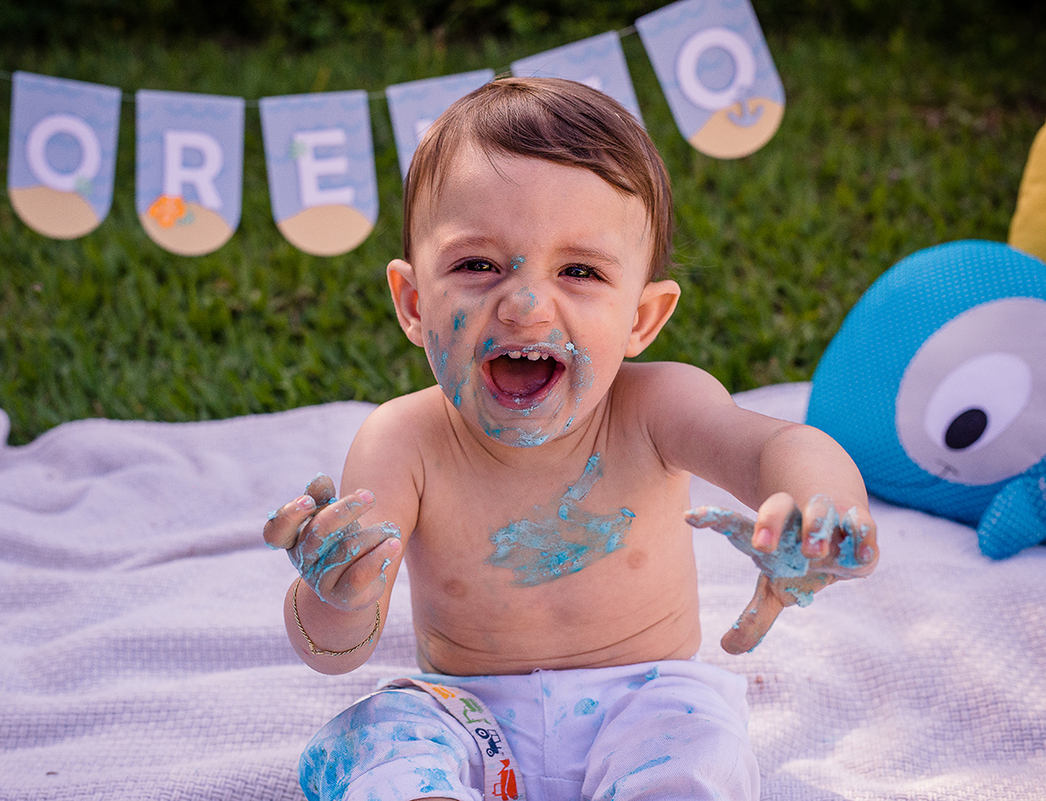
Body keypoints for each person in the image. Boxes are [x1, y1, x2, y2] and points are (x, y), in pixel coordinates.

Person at [263, 76, 878, 801]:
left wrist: (822, 510)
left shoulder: (658, 406)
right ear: (413, 302)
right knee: (370, 735)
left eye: (579, 270)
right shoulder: (404, 441)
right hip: (468, 714)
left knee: (699, 746)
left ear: (643, 318)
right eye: (477, 265)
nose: (524, 305)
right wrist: (333, 594)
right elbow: (336, 651)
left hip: (648, 704)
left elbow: (774, 445)